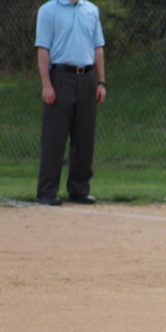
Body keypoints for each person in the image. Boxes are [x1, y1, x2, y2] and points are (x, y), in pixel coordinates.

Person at [35, 0, 107, 206]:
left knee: (84, 136)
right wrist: (46, 84)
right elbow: (42, 49)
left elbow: (98, 48)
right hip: (60, 76)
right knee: (54, 137)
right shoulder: (48, 10)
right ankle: (47, 191)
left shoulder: (91, 10)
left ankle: (79, 189)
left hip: (86, 77)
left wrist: (101, 82)